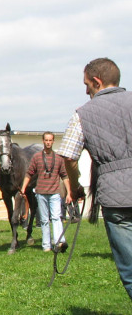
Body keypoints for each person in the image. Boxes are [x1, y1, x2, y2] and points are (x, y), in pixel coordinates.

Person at [58, 58, 132, 300]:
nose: (86, 89)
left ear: (97, 82)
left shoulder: (82, 114)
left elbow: (69, 157)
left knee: (130, 270)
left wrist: (76, 186)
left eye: (87, 84)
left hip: (116, 199)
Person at [20, 132, 73, 253]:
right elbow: (29, 173)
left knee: (56, 218)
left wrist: (69, 193)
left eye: (50, 140)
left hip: (54, 193)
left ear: (53, 141)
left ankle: (59, 242)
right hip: (41, 193)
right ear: (43, 141)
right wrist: (23, 188)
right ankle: (46, 246)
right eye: (46, 140)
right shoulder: (37, 157)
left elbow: (65, 176)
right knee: (44, 220)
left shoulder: (59, 158)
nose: (48, 142)